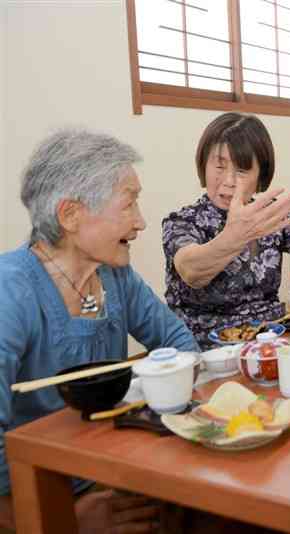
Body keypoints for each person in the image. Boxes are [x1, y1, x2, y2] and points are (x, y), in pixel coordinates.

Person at [0, 129, 199, 533]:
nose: (141, 221)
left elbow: (181, 346)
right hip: (38, 498)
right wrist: (64, 519)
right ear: (71, 214)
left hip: (117, 473)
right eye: (129, 203)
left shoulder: (115, 276)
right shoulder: (10, 294)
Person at [162, 113, 290, 349]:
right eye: (219, 166)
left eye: (241, 170)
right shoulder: (183, 221)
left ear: (260, 176)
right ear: (204, 164)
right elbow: (192, 270)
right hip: (209, 352)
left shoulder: (268, 215)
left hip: (272, 342)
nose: (229, 180)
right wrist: (237, 235)